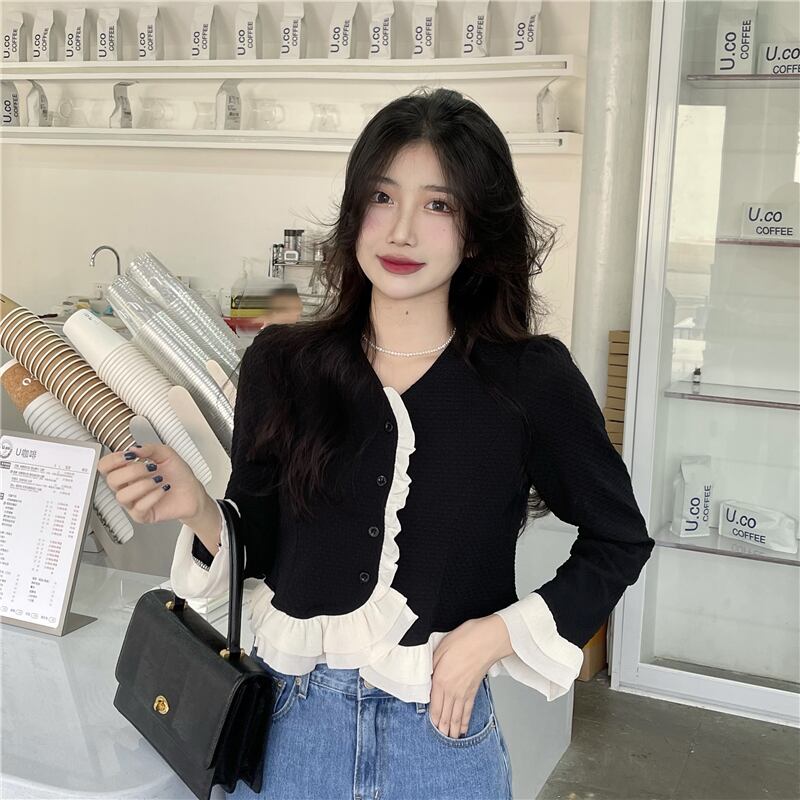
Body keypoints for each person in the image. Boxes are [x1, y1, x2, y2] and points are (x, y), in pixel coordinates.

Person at [98, 87, 654, 800]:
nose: (402, 232)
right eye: (383, 198)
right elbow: (260, 544)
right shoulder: (283, 363)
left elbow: (618, 539)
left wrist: (495, 635)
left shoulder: (529, 379)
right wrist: (199, 509)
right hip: (287, 729)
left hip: (439, 743)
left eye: (439, 205)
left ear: (476, 231)